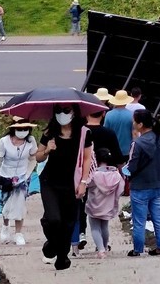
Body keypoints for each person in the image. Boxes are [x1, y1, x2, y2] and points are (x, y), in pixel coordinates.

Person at [35, 103, 94, 270]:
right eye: (59, 111)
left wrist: (84, 182)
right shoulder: (49, 133)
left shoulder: (84, 133)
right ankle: (52, 245)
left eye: (66, 111)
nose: (62, 114)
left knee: (68, 223)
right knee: (53, 219)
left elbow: (87, 158)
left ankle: (62, 257)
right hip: (50, 182)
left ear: (74, 112)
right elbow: (37, 157)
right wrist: (47, 150)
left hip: (72, 182)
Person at [126, 110, 160, 257]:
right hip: (158, 183)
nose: (133, 124)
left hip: (140, 186)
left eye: (134, 121)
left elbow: (132, 167)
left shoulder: (137, 143)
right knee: (158, 217)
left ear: (141, 124)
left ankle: (138, 249)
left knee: (139, 220)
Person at [0, 117, 38, 246]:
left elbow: (33, 158)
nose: (22, 131)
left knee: (20, 204)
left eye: (25, 129)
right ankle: (5, 226)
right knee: (6, 203)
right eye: (19, 129)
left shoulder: (30, 141)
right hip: (6, 176)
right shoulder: (4, 142)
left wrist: (27, 174)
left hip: (22, 177)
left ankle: (18, 233)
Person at [84, 146, 122, 259]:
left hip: (94, 205)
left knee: (95, 228)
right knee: (104, 227)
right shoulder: (115, 174)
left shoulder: (94, 175)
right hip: (108, 205)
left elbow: (86, 184)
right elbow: (120, 189)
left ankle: (100, 250)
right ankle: (104, 247)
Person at [103, 90, 135, 164]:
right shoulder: (131, 115)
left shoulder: (109, 114)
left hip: (111, 149)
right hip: (126, 150)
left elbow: (106, 132)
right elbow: (134, 133)